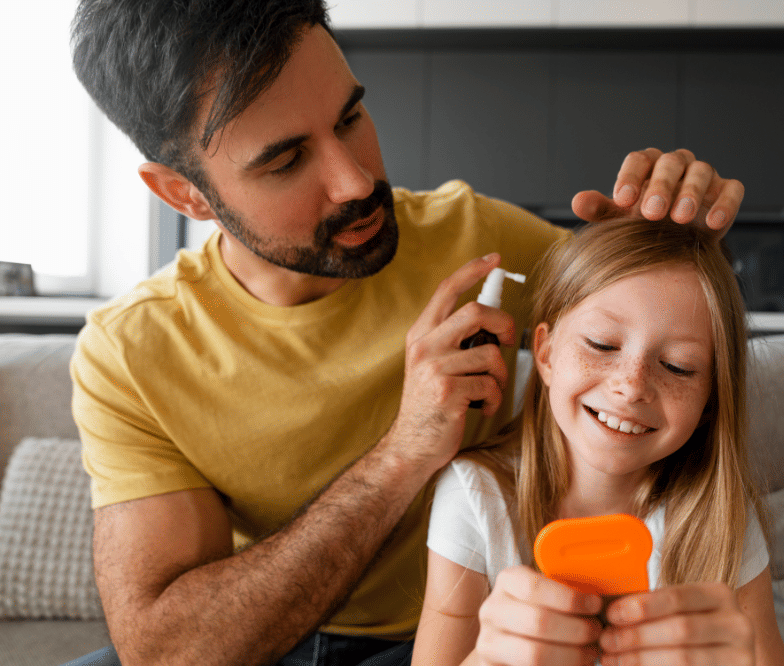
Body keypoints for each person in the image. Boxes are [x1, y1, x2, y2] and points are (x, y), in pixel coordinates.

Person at [66, 1, 745, 665]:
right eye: (285, 160)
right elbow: (171, 652)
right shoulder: (130, 352)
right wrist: (405, 451)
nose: (356, 180)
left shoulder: (479, 240)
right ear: (183, 193)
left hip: (465, 634)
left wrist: (682, 240)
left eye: (350, 117)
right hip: (264, 637)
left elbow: (667, 348)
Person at [412, 217, 784, 666]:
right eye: (602, 345)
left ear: (710, 400)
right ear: (547, 355)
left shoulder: (720, 513)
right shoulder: (476, 496)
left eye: (677, 366)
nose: (631, 386)